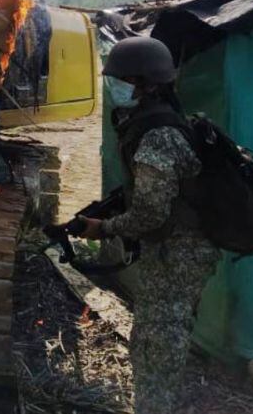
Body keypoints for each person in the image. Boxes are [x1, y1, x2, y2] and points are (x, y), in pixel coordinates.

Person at [74, 36, 221, 414]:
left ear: (146, 84)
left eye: (122, 80)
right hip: (174, 250)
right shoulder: (152, 123)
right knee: (155, 335)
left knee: (159, 340)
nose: (116, 87)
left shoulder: (158, 134)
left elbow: (150, 214)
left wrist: (102, 229)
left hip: (181, 253)